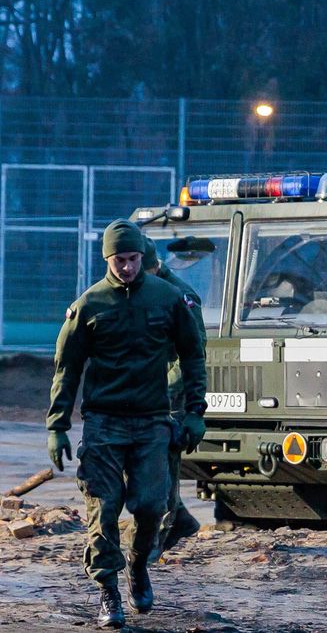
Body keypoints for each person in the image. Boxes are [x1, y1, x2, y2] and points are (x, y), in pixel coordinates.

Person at [47, 220, 207, 629]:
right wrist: (57, 424)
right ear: (108, 259)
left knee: (152, 504)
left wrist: (194, 411)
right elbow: (67, 368)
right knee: (103, 508)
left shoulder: (169, 298)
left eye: (134, 259)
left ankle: (138, 567)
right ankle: (109, 593)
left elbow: (192, 355)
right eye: (120, 260)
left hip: (152, 421)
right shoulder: (89, 305)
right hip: (103, 421)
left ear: (143, 258)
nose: (128, 267)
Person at [142, 236, 206, 562]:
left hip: (169, 397)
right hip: (142, 393)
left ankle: (159, 535)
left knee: (161, 464)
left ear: (153, 264)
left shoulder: (181, 297)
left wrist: (176, 396)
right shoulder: (140, 289)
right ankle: (179, 518)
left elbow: (192, 355)